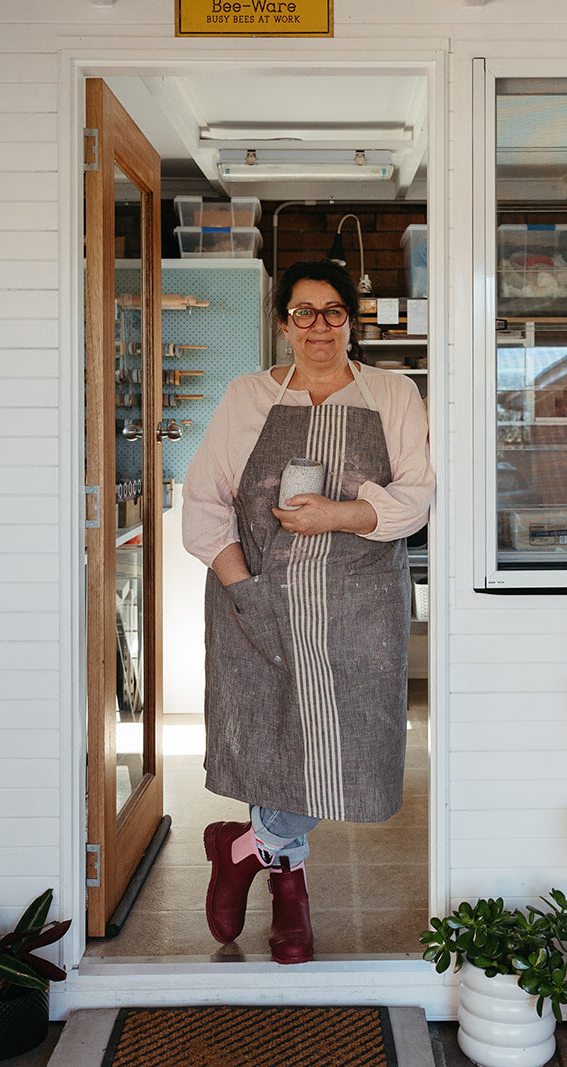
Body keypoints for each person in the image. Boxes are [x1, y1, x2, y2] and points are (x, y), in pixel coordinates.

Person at [181, 259, 435, 964]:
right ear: (283, 321)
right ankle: (289, 888)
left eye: (331, 311)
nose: (317, 326)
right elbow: (205, 500)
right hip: (262, 600)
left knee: (344, 744)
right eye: (302, 312)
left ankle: (242, 849)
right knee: (275, 740)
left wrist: (338, 514)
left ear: (351, 319)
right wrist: (242, 586)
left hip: (360, 609)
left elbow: (415, 497)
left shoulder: (393, 393)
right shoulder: (248, 396)